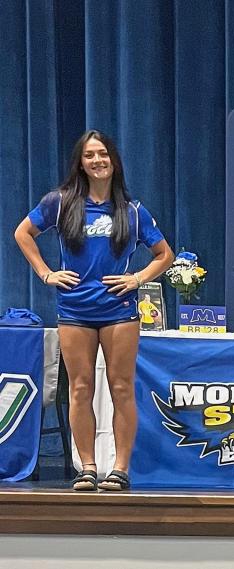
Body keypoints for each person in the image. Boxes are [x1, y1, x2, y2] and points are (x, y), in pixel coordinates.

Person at [14, 130, 174, 491]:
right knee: (81, 389)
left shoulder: (133, 211)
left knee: (121, 389)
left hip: (119, 312)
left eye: (103, 154)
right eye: (89, 155)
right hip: (74, 310)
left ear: (114, 161)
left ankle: (120, 468)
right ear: (81, 163)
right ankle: (87, 467)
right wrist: (46, 273)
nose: (97, 160)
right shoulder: (60, 202)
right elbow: (22, 233)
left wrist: (136, 279)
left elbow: (166, 255)